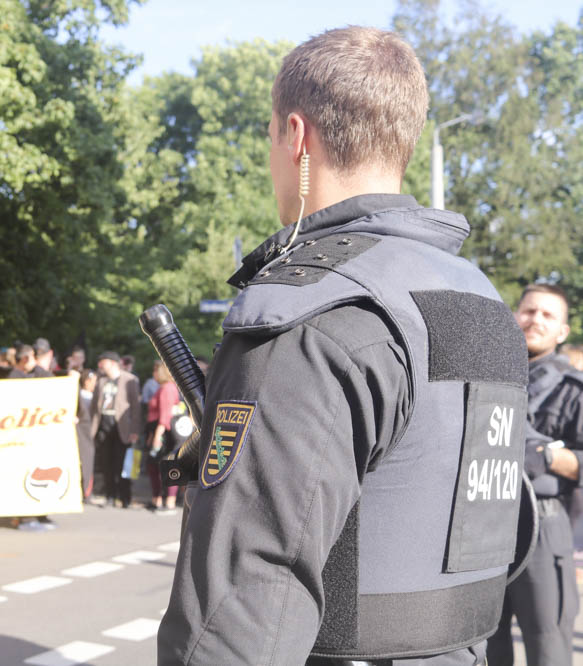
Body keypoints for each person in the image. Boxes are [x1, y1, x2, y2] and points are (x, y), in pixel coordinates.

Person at [158, 27, 529, 665]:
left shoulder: (313, 310)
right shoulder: (479, 298)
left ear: (295, 136)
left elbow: (242, 602)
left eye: (270, 136)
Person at [486, 284, 583, 665]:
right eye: (528, 311)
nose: (535, 320)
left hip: (544, 526)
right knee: (484, 644)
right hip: (487, 524)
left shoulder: (572, 389)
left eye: (547, 315)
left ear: (562, 331)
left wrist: (545, 455)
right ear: (515, 316)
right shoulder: (490, 377)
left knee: (548, 649)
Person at [90, 351, 141, 508]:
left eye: (103, 362)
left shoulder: (129, 380)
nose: (100, 365)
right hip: (103, 426)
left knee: (123, 463)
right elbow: (94, 407)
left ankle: (124, 497)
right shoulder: (101, 381)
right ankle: (110, 495)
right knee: (106, 463)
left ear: (113, 363)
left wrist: (135, 430)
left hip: (122, 427)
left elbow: (136, 407)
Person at [145, 360, 180, 512]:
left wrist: (157, 436)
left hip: (164, 431)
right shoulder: (164, 388)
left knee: (165, 465)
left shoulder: (167, 388)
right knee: (155, 465)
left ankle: (169, 502)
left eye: (155, 370)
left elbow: (165, 415)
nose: (153, 374)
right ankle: (158, 499)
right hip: (156, 429)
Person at [77, 369, 98, 501]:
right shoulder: (79, 395)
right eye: (93, 381)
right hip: (81, 431)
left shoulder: (94, 396)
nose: (95, 384)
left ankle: (86, 490)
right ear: (86, 381)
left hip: (90, 432)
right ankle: (83, 490)